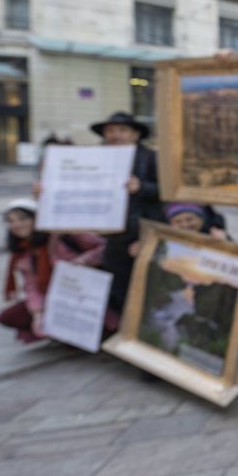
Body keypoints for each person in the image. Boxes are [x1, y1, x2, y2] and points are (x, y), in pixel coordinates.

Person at [84, 111, 163, 323]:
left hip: (145, 237)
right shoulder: (93, 159)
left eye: (121, 130)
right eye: (110, 131)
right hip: (113, 240)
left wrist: (142, 187)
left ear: (135, 134)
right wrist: (44, 191)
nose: (115, 135)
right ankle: (127, 336)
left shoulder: (151, 158)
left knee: (151, 292)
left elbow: (169, 193)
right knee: (120, 291)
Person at [0, 198, 105, 344]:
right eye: (10, 221)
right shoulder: (23, 251)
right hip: (55, 299)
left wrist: (86, 260)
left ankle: (97, 331)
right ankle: (59, 331)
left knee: (75, 343)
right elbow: (31, 287)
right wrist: (38, 314)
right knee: (9, 316)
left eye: (23, 218)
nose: (16, 225)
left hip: (88, 294)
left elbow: (106, 248)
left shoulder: (64, 234)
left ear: (37, 217)